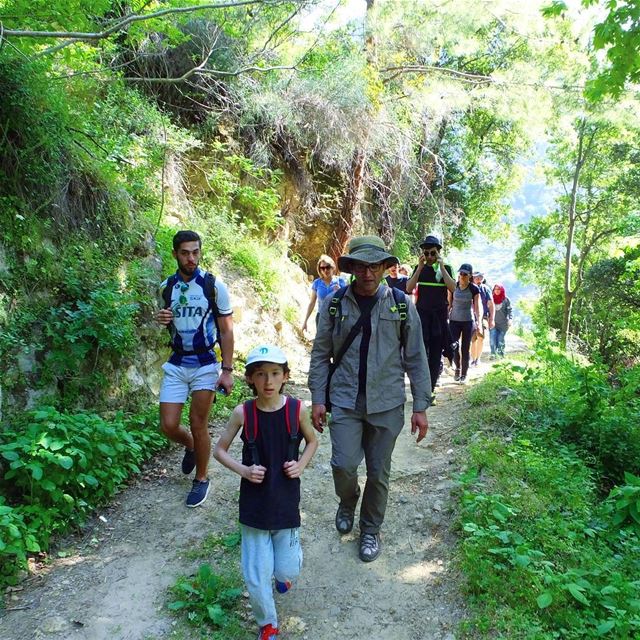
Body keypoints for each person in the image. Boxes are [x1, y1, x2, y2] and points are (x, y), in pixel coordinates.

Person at [308, 236, 430, 563]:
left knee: (379, 473)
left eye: (374, 266)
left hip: (387, 403)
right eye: (361, 266)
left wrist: (420, 405)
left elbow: (416, 358)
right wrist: (318, 398)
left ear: (385, 268)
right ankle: (348, 500)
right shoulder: (333, 304)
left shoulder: (401, 304)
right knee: (343, 465)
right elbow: (320, 355)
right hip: (345, 401)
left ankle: (371, 530)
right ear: (351, 268)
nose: (368, 273)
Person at [213, 345, 318, 640]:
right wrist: (244, 470)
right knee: (256, 574)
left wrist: (301, 464)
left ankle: (284, 580)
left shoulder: (298, 410)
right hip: (254, 506)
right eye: (260, 375)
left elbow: (312, 442)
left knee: (287, 570)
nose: (268, 381)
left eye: (274, 374)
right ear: (250, 379)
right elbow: (219, 450)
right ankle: (268, 622)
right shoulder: (243, 413)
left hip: (286, 503)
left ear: (286, 376)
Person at [156, 230, 234, 508]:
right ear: (175, 254)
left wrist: (227, 369)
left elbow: (226, 330)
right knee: (168, 425)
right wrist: (162, 319)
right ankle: (190, 446)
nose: (191, 258)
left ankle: (201, 478)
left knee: (198, 422)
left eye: (196, 252)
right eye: (186, 252)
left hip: (205, 364)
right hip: (177, 363)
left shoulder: (213, 286)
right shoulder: (167, 287)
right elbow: (164, 321)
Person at [405, 235, 456, 400]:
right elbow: (408, 288)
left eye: (432, 253)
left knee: (435, 354)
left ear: (438, 253)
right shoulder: (418, 268)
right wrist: (419, 268)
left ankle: (430, 390)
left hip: (439, 318)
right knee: (420, 353)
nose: (429, 257)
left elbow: (453, 288)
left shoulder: (446, 268)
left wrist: (441, 267)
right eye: (426, 253)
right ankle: (421, 390)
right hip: (422, 317)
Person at [449, 263, 482, 384]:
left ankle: (464, 374)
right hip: (454, 320)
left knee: (465, 347)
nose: (462, 276)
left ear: (470, 276)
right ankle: (457, 368)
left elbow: (477, 307)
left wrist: (478, 322)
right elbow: (449, 303)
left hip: (468, 321)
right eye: (461, 273)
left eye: (465, 274)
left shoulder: (474, 289)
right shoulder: (453, 286)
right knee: (453, 345)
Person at [301, 255, 346, 333]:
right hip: (321, 318)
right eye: (322, 268)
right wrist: (305, 321)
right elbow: (312, 303)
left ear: (333, 267)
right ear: (320, 270)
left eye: (327, 267)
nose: (325, 270)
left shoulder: (340, 282)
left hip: (336, 318)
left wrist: (340, 292)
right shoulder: (317, 283)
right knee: (321, 343)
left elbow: (347, 302)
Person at [470, 271, 494, 366]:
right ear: (473, 278)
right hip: (471, 317)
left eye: (480, 277)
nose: (478, 279)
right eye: (476, 278)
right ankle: (473, 358)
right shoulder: (469, 288)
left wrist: (491, 319)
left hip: (483, 316)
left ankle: (478, 359)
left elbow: (491, 304)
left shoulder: (485, 289)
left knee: (481, 337)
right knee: (473, 339)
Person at [490, 283, 513, 358]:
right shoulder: (491, 299)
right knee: (493, 339)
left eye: (498, 289)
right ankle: (493, 354)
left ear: (502, 290)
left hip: (503, 324)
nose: (497, 291)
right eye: (495, 289)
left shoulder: (506, 300)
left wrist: (510, 319)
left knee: (500, 339)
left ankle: (500, 354)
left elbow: (510, 310)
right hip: (493, 323)